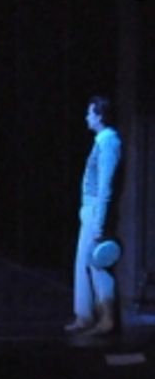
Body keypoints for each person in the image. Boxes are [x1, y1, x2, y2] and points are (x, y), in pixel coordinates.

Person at [66, 96, 122, 336]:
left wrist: (99, 223)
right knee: (83, 265)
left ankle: (107, 319)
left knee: (98, 265)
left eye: (90, 113)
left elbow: (105, 186)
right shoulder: (101, 141)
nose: (86, 117)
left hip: (96, 212)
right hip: (89, 211)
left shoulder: (109, 141)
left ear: (99, 115)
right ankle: (85, 316)